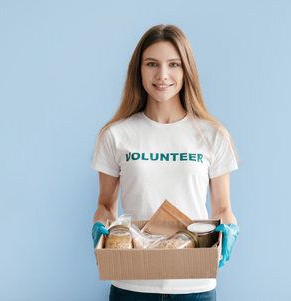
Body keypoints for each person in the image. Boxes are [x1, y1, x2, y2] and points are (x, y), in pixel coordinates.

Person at [91, 24, 240, 301]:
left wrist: (228, 229)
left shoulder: (213, 135)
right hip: (132, 286)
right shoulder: (115, 135)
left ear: (187, 71)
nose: (162, 75)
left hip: (194, 287)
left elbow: (222, 208)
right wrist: (101, 228)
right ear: (139, 70)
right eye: (151, 64)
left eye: (174, 64)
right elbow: (106, 205)